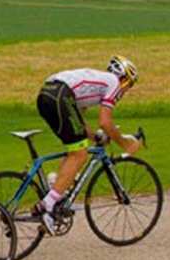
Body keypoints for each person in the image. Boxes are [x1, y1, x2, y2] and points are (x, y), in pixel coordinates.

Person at [33, 57, 143, 220]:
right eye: (129, 85)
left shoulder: (96, 82)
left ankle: (56, 186)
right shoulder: (113, 83)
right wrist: (125, 144)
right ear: (124, 79)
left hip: (48, 93)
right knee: (80, 154)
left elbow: (78, 122)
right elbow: (105, 122)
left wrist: (96, 137)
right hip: (60, 95)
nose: (126, 91)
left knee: (75, 150)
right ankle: (47, 205)